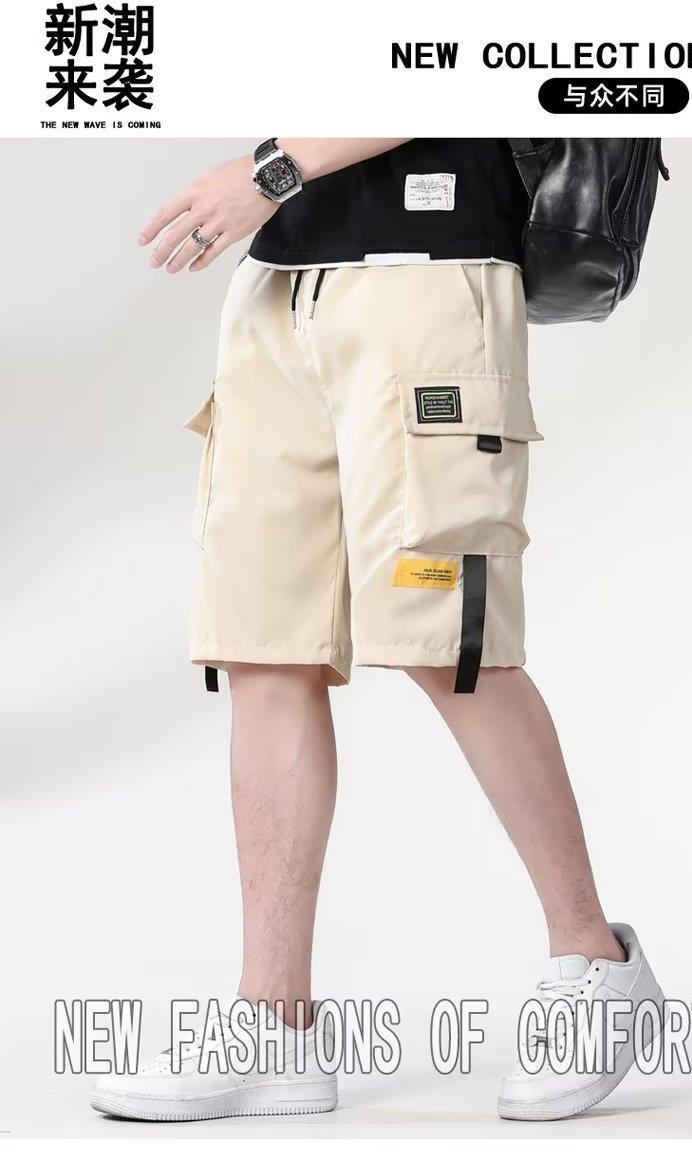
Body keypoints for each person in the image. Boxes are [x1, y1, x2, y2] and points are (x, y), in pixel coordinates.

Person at [91, 139, 663, 1123]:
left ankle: (595, 960)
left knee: (449, 646)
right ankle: (274, 1023)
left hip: (429, 278)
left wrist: (267, 173)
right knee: (265, 649)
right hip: (276, 285)